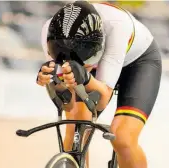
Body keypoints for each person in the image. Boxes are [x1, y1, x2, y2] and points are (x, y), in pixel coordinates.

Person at [37, 1, 162, 168]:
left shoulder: (117, 26)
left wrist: (86, 79)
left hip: (138, 62)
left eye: (86, 63)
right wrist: (54, 83)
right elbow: (68, 105)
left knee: (122, 137)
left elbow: (101, 100)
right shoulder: (50, 34)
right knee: (75, 127)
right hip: (97, 63)